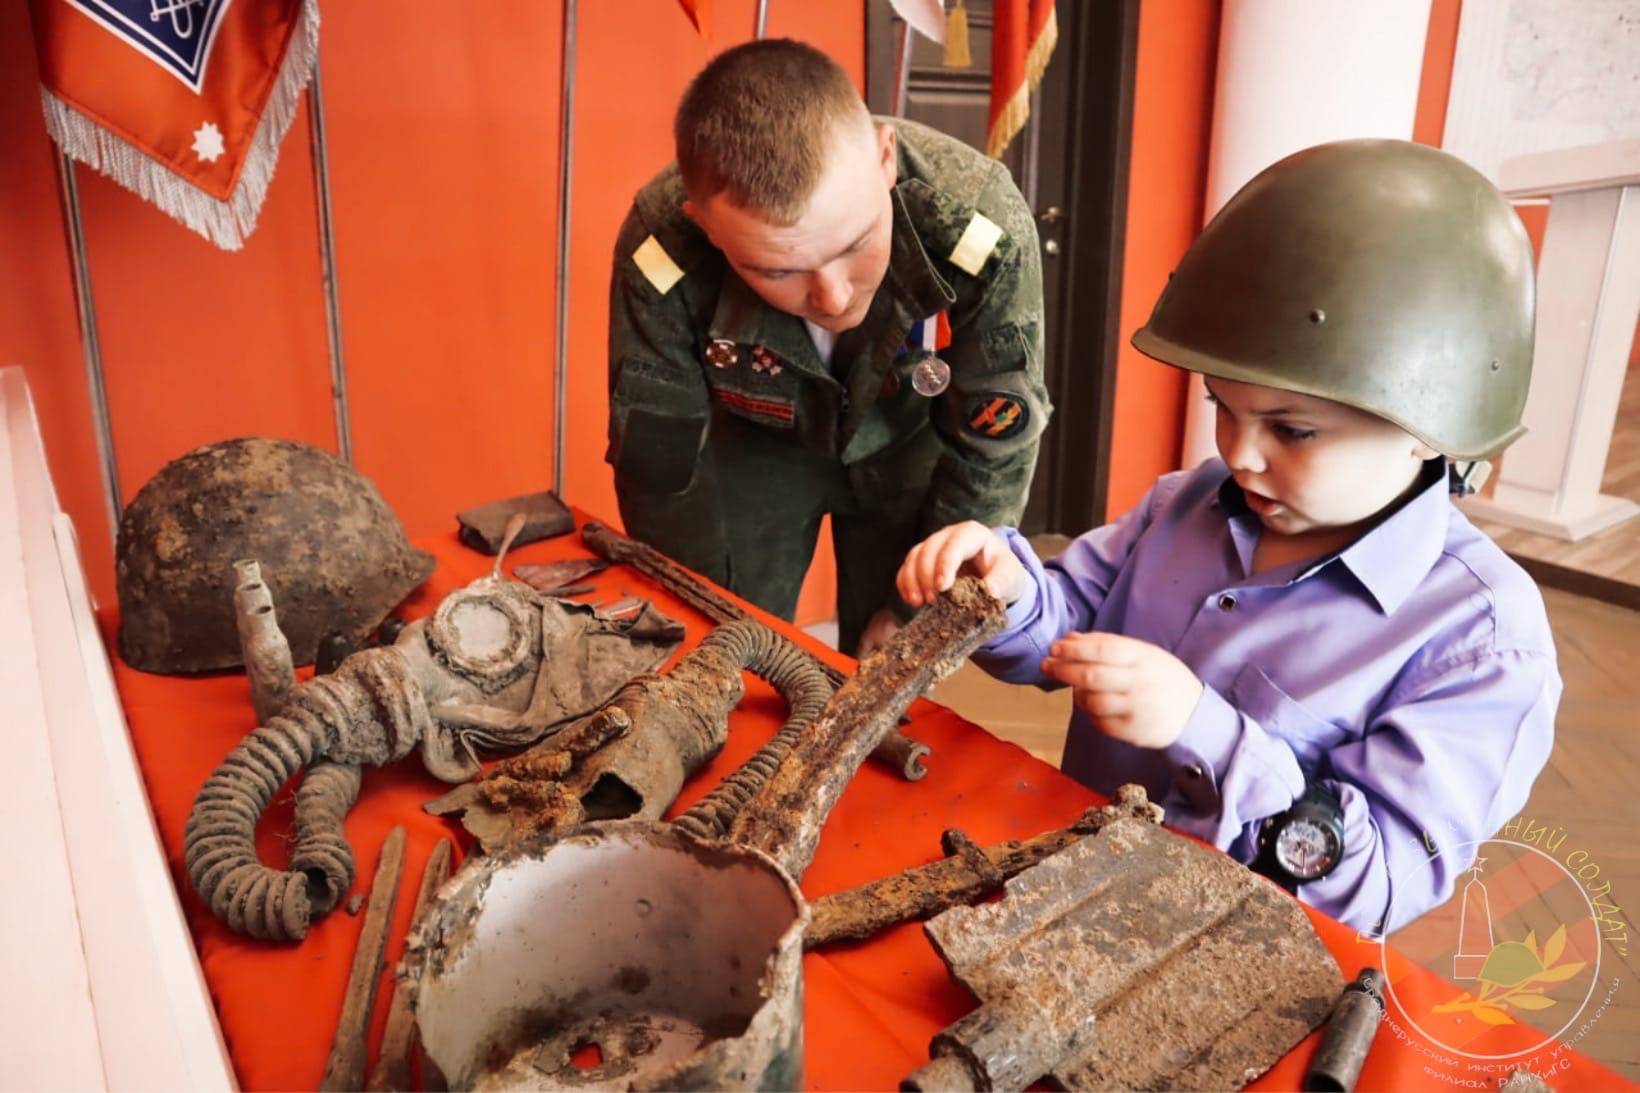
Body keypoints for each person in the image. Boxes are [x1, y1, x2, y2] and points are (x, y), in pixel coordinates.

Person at [896, 139, 1560, 934]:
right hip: (1067, 894)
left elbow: (1375, 883)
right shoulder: (1187, 504)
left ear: (1430, 428)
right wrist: (1006, 591)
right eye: (1223, 406)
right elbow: (1066, 622)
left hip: (1236, 956)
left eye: (1293, 429)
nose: (1238, 453)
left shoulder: (1483, 641)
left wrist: (1202, 730)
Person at [606, 39, 1050, 656]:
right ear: (706, 227)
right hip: (751, 448)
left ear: (885, 160)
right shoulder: (663, 247)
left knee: (895, 662)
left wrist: (919, 615)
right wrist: (702, 628)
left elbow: (993, 442)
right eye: (777, 271)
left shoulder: (977, 222)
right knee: (723, 648)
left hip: (909, 442)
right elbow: (660, 465)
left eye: (855, 244)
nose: (833, 295)